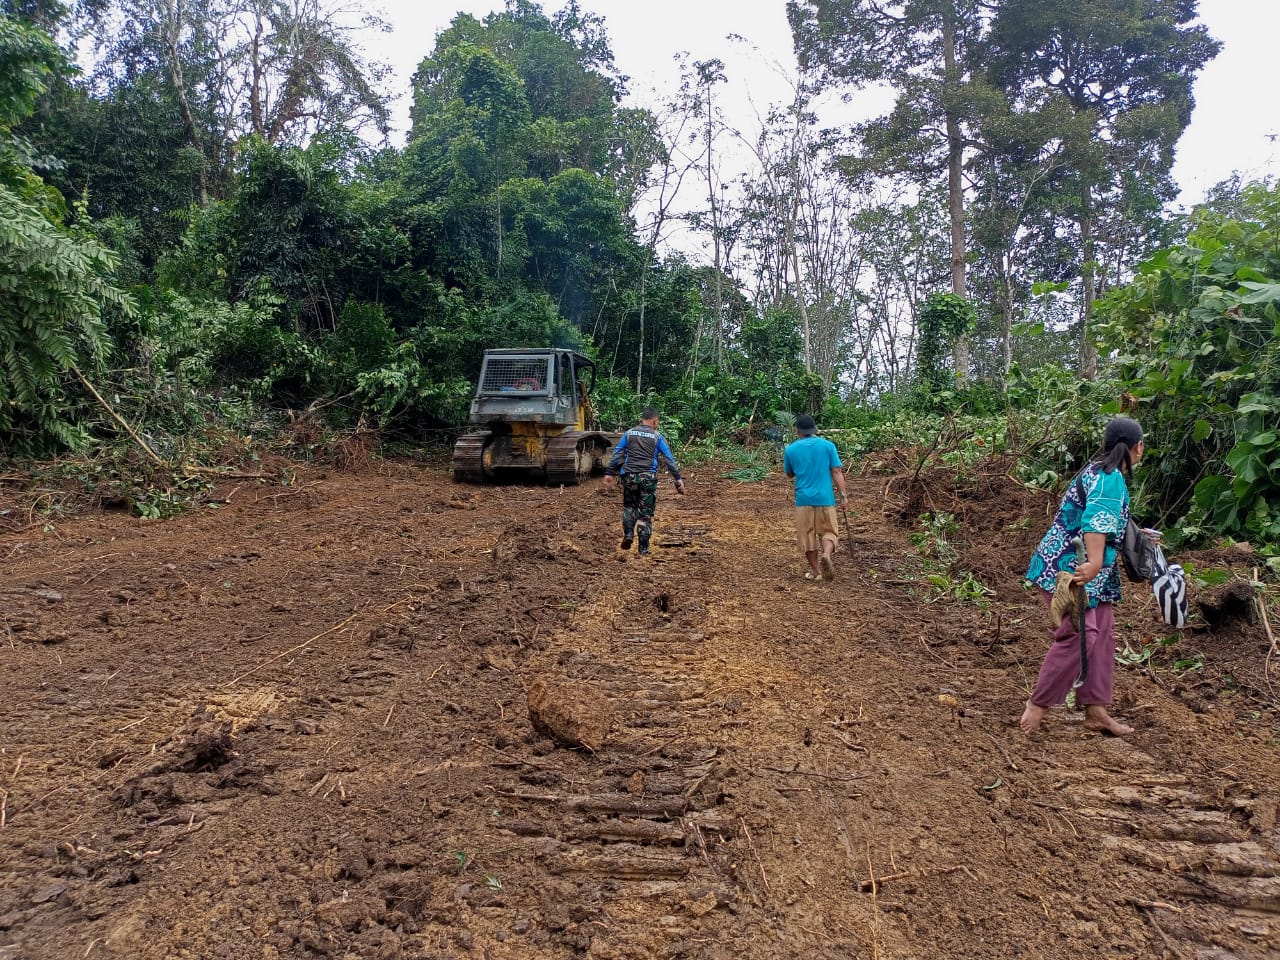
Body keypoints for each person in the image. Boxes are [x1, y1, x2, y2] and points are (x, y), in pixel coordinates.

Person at [1020, 416, 1147, 737]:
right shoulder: (1110, 478)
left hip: (1086, 571)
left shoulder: (1097, 471)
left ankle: (1096, 710)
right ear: (1136, 447)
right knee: (1080, 635)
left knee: (1102, 633)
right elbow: (1095, 521)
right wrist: (1092, 563)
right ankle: (1037, 705)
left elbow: (1104, 519)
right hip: (1070, 570)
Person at [603, 408, 685, 555]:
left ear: (642, 419)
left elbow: (618, 453)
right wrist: (678, 479)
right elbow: (669, 459)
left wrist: (610, 472)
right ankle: (643, 548)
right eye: (657, 422)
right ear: (654, 421)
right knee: (645, 514)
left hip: (629, 476)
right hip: (647, 478)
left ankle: (628, 534)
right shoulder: (657, 436)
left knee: (630, 507)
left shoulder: (629, 434)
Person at [783, 414, 848, 581]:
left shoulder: (791, 449)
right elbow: (836, 472)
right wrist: (843, 496)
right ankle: (826, 554)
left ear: (797, 430)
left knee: (807, 537)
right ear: (814, 430)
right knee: (829, 532)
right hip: (825, 499)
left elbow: (789, 474)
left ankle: (817, 572)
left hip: (803, 500)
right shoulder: (827, 446)